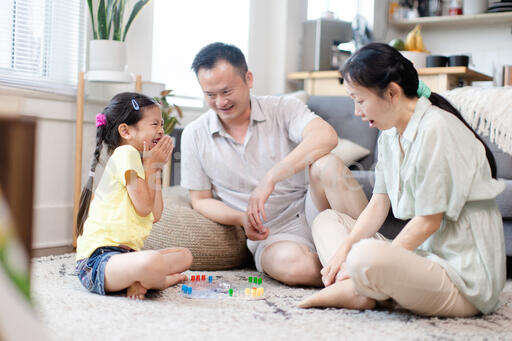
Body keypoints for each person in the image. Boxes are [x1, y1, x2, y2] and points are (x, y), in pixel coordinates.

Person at [299, 43, 506, 316]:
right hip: (421, 261)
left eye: (360, 100)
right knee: (327, 221)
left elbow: (428, 221)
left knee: (366, 257)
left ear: (392, 92)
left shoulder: (436, 128)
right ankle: (364, 287)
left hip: (462, 281)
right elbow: (378, 204)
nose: (357, 111)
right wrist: (343, 253)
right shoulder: (389, 135)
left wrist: (377, 261)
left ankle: (362, 285)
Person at [181, 42, 368, 286]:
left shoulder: (282, 108)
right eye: (210, 95)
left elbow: (326, 136)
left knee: (327, 165)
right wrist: (241, 219)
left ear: (248, 79)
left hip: (313, 207)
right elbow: (200, 200)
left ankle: (369, 254)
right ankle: (359, 273)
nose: (220, 102)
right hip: (273, 234)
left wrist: (272, 176)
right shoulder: (195, 134)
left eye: (226, 92)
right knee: (293, 267)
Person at [75, 92, 193, 300]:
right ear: (125, 131)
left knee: (186, 256)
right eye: (154, 124)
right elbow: (144, 207)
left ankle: (143, 278)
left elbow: (155, 214)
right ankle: (160, 280)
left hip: (126, 257)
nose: (161, 131)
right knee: (153, 262)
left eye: (162, 125)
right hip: (98, 262)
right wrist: (151, 166)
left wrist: (154, 167)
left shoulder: (140, 162)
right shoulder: (125, 154)